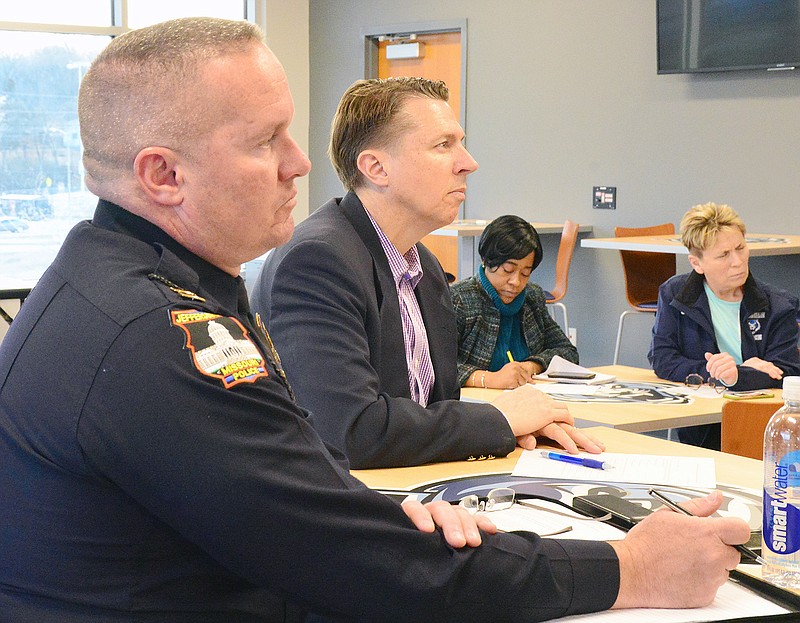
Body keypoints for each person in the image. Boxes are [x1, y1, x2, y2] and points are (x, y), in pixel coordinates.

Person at [0, 18, 750, 622]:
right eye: (266, 141)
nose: (300, 163)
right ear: (163, 175)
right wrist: (628, 568)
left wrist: (395, 518)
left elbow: (288, 484)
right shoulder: (154, 335)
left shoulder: (135, 281)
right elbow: (342, 551)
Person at [253, 77, 601, 470]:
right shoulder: (318, 261)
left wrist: (511, 430)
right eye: (443, 145)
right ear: (376, 168)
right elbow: (349, 433)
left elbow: (432, 409)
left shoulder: (426, 268)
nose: (468, 162)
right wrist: (499, 419)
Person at [649, 202, 800, 448]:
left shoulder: (779, 305)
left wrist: (737, 374)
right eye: (723, 255)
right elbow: (663, 359)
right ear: (697, 264)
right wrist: (721, 373)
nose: (738, 261)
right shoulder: (675, 295)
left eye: (740, 248)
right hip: (699, 426)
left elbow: (787, 372)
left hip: (761, 426)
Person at [451, 215, 579, 389]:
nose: (516, 282)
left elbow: (567, 352)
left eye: (525, 273)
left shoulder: (531, 297)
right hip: (474, 406)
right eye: (508, 270)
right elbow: (434, 366)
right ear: (487, 260)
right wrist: (489, 379)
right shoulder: (460, 299)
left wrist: (532, 365)